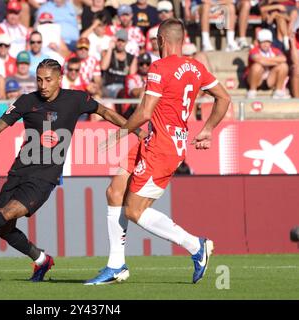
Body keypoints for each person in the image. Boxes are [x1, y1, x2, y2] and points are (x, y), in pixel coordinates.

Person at [0, 58, 144, 282]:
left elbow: (107, 113)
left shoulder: (76, 99)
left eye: (48, 80)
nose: (42, 85)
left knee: (5, 214)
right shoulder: (26, 101)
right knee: (4, 229)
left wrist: (136, 132)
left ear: (60, 79)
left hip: (45, 177)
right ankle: (42, 260)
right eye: (39, 80)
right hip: (19, 171)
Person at [85, 18, 231, 285]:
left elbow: (144, 111)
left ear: (162, 41)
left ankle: (195, 246)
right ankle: (116, 265)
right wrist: (208, 128)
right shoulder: (196, 67)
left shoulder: (160, 67)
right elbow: (224, 97)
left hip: (162, 148)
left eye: (156, 40)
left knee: (134, 211)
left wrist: (119, 133)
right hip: (154, 141)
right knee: (115, 190)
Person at [246, 28, 290, 99]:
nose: (266, 44)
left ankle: (278, 91)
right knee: (257, 66)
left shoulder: (274, 50)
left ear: (271, 42)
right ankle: (252, 91)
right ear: (259, 42)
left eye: (268, 42)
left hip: (269, 79)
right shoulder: (254, 50)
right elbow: (259, 61)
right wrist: (275, 62)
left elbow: (283, 59)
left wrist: (266, 60)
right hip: (255, 79)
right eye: (263, 42)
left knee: (284, 66)